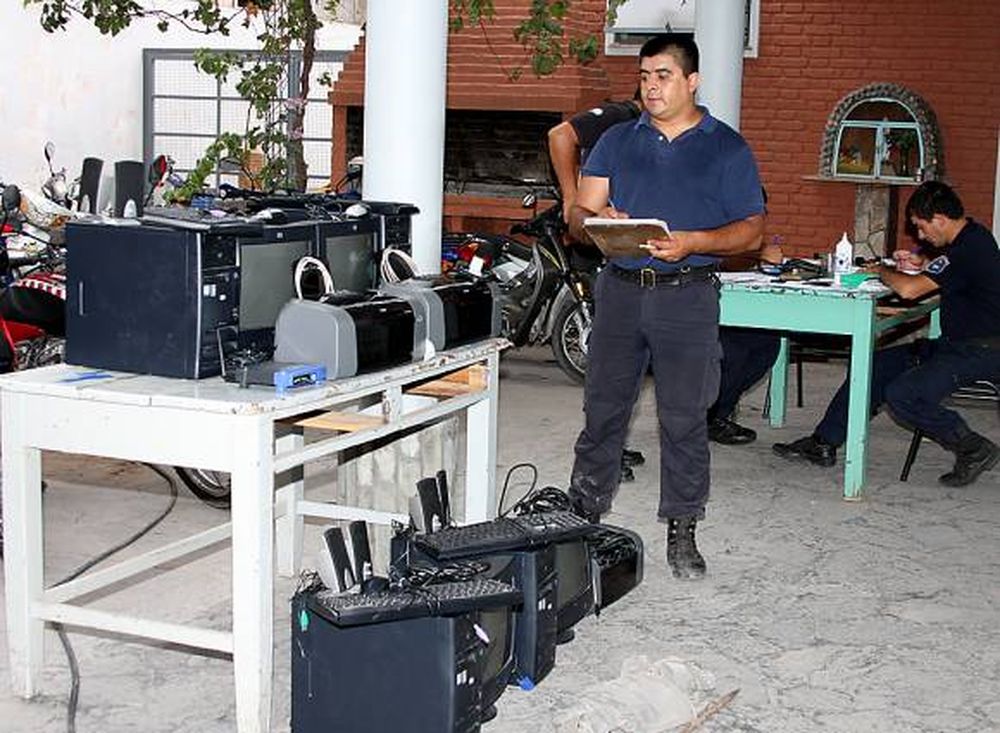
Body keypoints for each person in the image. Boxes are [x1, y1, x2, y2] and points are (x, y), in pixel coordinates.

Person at [566, 34, 766, 580]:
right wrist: (601, 220)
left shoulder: (726, 147)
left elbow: (752, 231)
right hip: (620, 293)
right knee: (603, 410)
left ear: (692, 81)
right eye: (645, 76)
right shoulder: (615, 141)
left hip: (689, 296)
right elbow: (577, 217)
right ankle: (581, 518)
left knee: (684, 418)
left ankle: (683, 529)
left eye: (664, 76)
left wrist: (693, 241)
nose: (651, 87)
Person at [773, 181, 1000, 487]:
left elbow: (908, 290)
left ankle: (972, 447)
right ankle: (824, 442)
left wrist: (879, 269)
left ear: (940, 219)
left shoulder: (967, 248)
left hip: (980, 352)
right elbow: (946, 274)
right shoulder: (971, 239)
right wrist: (923, 265)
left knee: (903, 393)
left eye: (921, 227)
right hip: (958, 346)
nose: (921, 236)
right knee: (876, 365)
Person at [548, 93, 647, 480]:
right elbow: (560, 135)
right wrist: (574, 201)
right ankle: (601, 451)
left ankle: (611, 444)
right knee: (612, 360)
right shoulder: (620, 115)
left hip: (616, 242)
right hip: (595, 236)